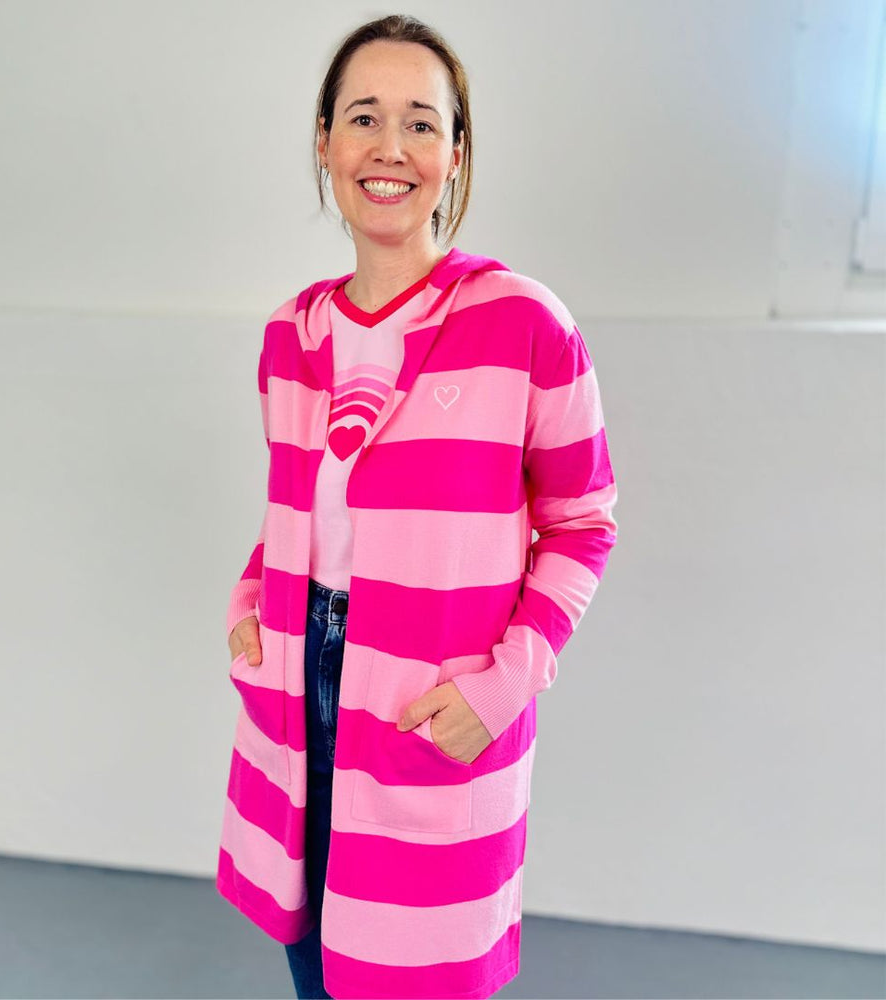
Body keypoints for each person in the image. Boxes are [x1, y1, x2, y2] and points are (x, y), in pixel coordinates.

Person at [217, 14, 619, 1000]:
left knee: (417, 971)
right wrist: (247, 604)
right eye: (363, 117)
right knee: (315, 958)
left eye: (421, 123)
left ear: (456, 153)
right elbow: (294, 512)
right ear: (325, 143)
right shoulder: (290, 333)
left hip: (427, 699)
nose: (389, 147)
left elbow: (582, 523)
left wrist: (506, 685)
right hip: (296, 685)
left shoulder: (522, 322)